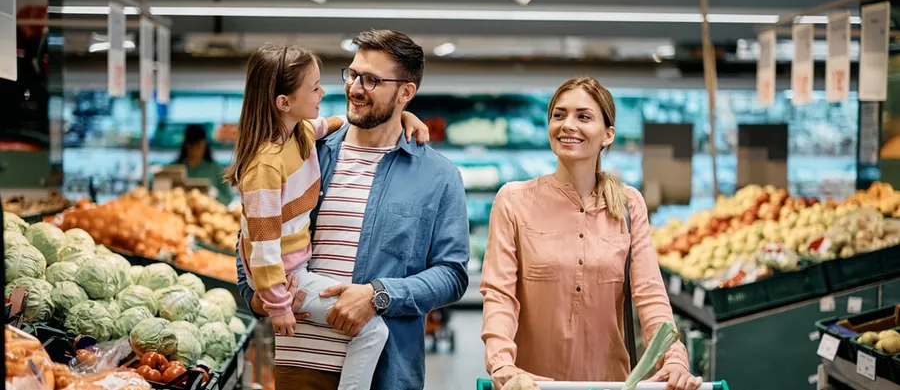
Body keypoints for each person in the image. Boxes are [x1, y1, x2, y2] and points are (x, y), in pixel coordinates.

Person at [235, 30, 470, 390]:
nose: (355, 88)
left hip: (385, 372)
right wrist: (262, 302)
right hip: (299, 361)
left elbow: (452, 275)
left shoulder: (438, 176)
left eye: (372, 80)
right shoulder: (305, 149)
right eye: (353, 74)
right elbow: (254, 238)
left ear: (405, 93)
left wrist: (379, 295)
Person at [480, 77, 702, 390]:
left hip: (612, 383)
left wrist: (674, 357)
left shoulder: (628, 204)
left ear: (607, 135)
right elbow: (499, 295)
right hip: (531, 385)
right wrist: (503, 365)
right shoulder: (514, 200)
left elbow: (650, 295)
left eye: (583, 117)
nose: (568, 125)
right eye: (559, 115)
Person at [173, 124, 234, 204]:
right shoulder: (173, 168)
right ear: (186, 146)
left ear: (205, 145)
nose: (195, 151)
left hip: (210, 213)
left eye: (198, 146)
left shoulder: (217, 169)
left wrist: (215, 194)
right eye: (192, 146)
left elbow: (228, 199)